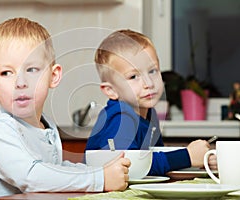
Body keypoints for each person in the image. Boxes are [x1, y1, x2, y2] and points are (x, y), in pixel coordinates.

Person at [0, 18, 131, 200]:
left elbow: (55, 170)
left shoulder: (46, 127)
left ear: (53, 76)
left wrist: (101, 171)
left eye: (32, 70)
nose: (20, 83)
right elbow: (32, 176)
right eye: (6, 73)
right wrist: (99, 178)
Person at [85, 29, 217, 176]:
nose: (148, 83)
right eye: (134, 76)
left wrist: (200, 159)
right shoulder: (120, 117)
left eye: (152, 71)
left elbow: (156, 158)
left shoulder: (149, 114)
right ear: (111, 91)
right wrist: (187, 156)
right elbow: (132, 166)